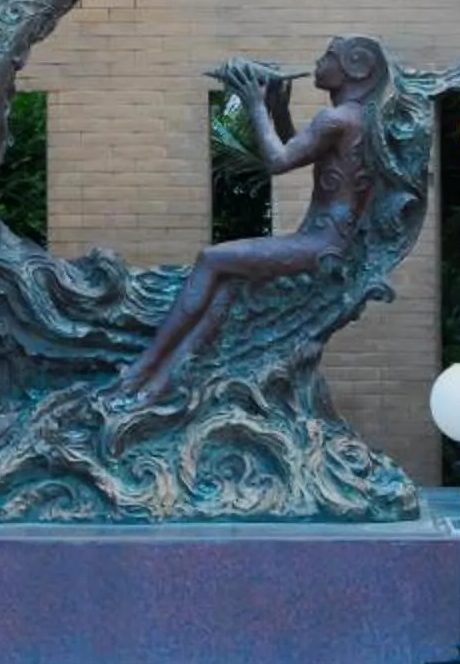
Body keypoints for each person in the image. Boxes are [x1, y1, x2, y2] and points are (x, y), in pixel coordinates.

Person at [117, 36, 391, 403]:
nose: (319, 62)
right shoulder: (357, 118)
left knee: (211, 259)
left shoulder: (336, 118)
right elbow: (298, 149)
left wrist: (253, 104)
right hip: (325, 243)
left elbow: (278, 162)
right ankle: (158, 384)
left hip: (319, 245)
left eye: (328, 57)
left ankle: (143, 366)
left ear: (354, 69)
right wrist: (278, 109)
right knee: (228, 287)